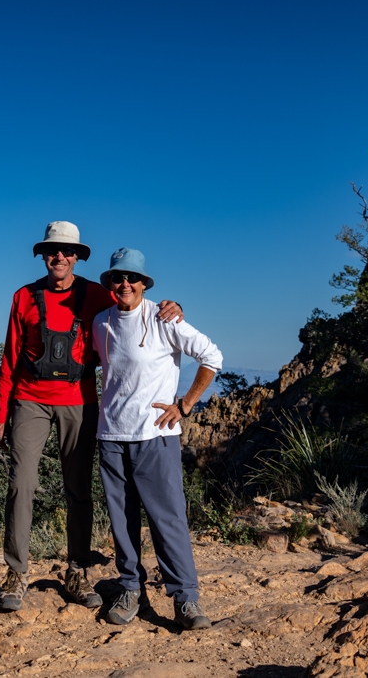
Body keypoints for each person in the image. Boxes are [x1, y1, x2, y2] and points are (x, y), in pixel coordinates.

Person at [0, 222, 183, 612]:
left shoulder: (97, 295)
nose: (59, 257)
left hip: (79, 401)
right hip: (30, 399)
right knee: (21, 484)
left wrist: (174, 307)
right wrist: (1, 412)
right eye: (52, 250)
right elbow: (10, 357)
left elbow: (134, 309)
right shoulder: (23, 297)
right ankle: (16, 573)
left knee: (78, 488)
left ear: (77, 256)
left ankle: (76, 570)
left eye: (67, 251)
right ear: (43, 255)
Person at [91, 247, 222, 630]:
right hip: (111, 434)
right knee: (122, 519)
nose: (125, 283)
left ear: (145, 283)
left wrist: (185, 404)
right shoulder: (101, 321)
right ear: (110, 283)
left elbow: (211, 357)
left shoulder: (165, 319)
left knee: (168, 518)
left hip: (155, 435)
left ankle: (186, 599)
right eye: (118, 277)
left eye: (133, 278)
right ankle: (131, 587)